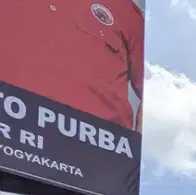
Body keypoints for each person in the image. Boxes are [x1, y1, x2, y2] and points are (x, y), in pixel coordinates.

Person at [2, 0, 146, 131]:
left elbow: (153, 95)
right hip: (9, 134)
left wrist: (134, 152)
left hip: (95, 149)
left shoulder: (126, 12)